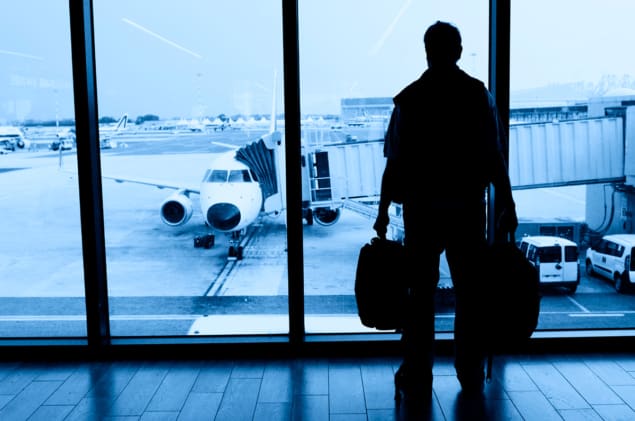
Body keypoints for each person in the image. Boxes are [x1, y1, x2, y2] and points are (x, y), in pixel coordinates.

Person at [373, 21, 518, 399]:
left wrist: (383, 209)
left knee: (418, 295)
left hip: (422, 209)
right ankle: (469, 369)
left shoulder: (409, 99)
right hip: (468, 208)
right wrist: (507, 201)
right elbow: (493, 155)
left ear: (427, 51)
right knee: (471, 294)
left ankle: (418, 369)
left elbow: (395, 161)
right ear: (458, 51)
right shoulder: (477, 96)